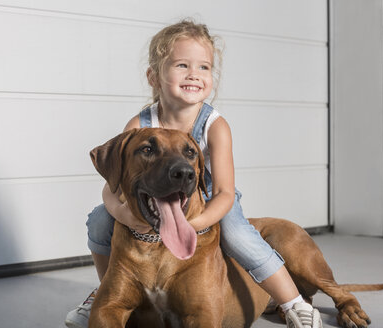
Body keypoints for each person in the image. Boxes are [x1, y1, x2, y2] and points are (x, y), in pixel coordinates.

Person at [65, 19, 323, 328]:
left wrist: (195, 224)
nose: (193, 74)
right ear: (154, 77)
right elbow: (112, 185)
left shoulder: (215, 125)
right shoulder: (138, 125)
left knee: (238, 235)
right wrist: (123, 213)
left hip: (211, 201)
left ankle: (293, 302)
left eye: (203, 67)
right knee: (99, 219)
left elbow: (226, 191)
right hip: (151, 200)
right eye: (181, 65)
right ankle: (105, 288)